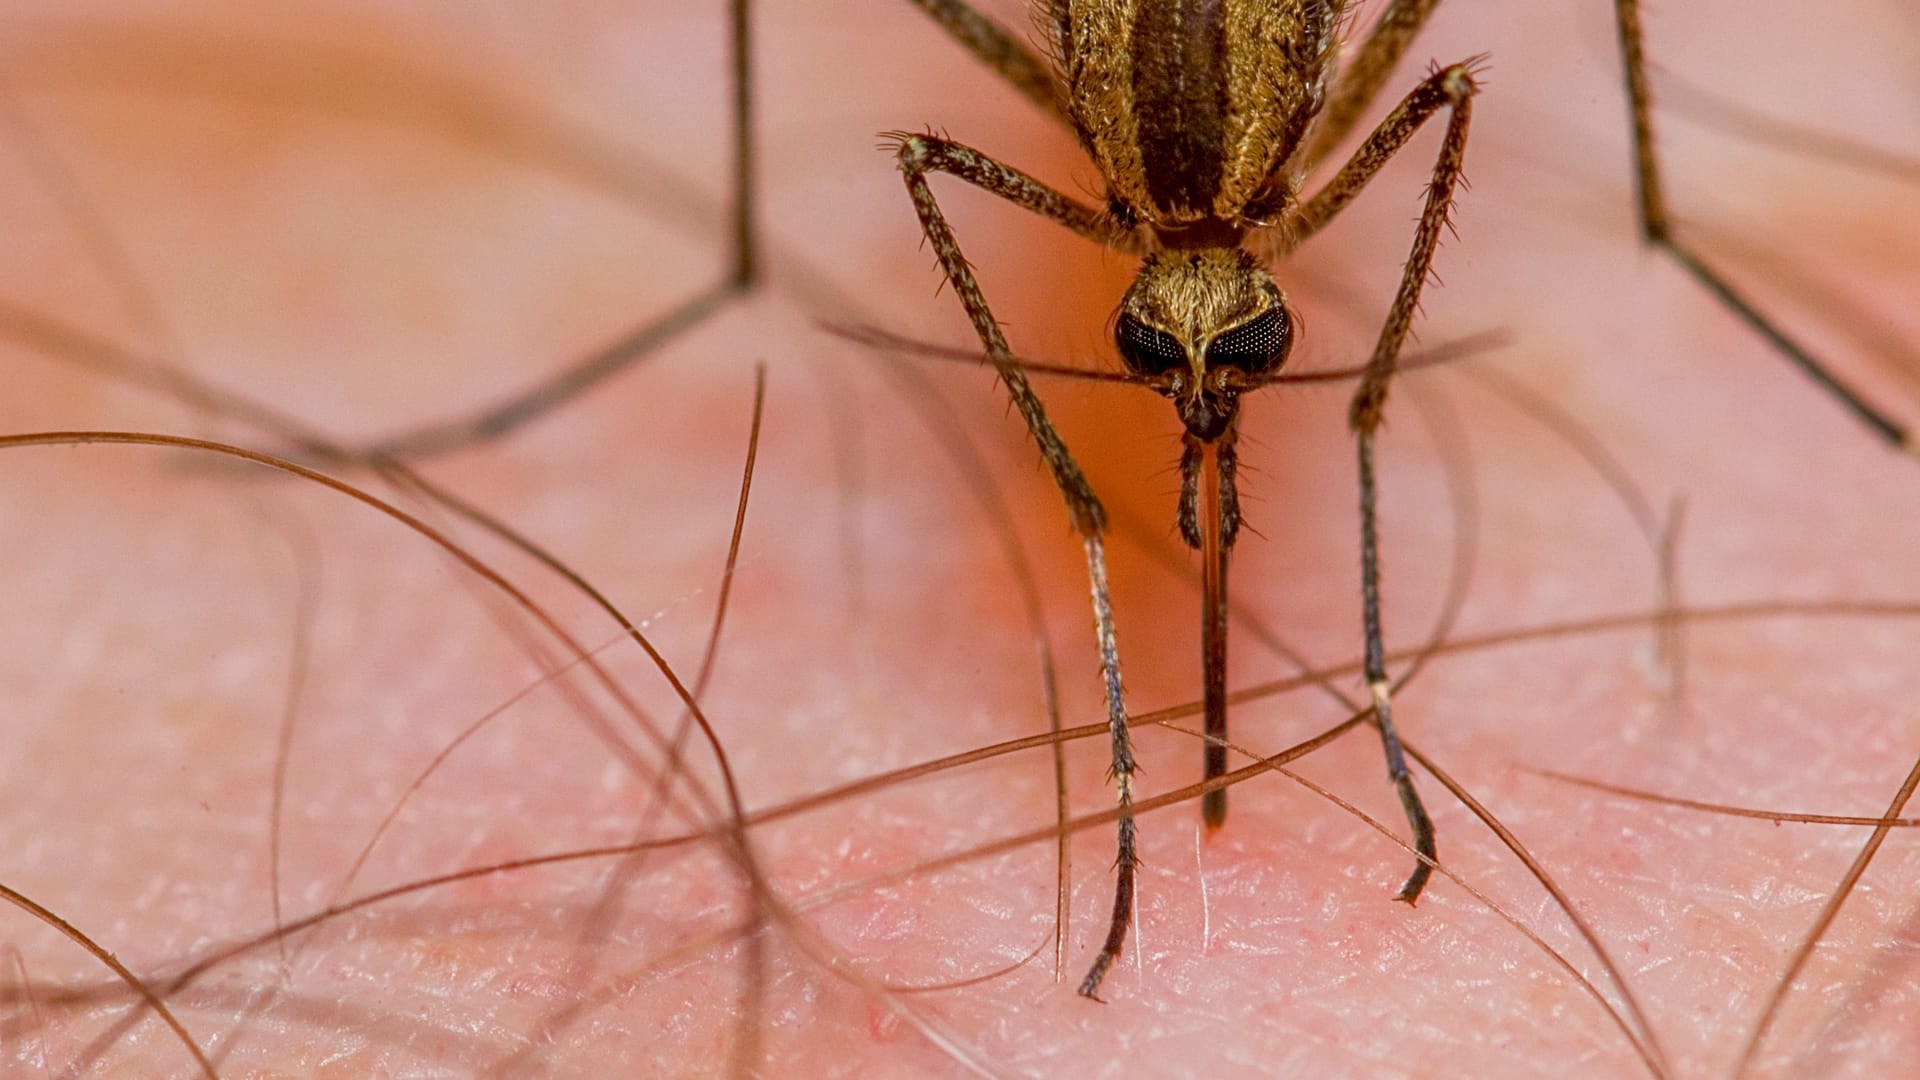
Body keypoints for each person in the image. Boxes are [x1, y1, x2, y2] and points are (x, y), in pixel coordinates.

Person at [2, 1, 1916, 1074]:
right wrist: (1084, 512)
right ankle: (722, 274)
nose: (1208, 395)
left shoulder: (1267, 206)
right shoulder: (1172, 254)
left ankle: (1680, 234)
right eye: (1201, 358)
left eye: (1233, 357)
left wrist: (1373, 434)